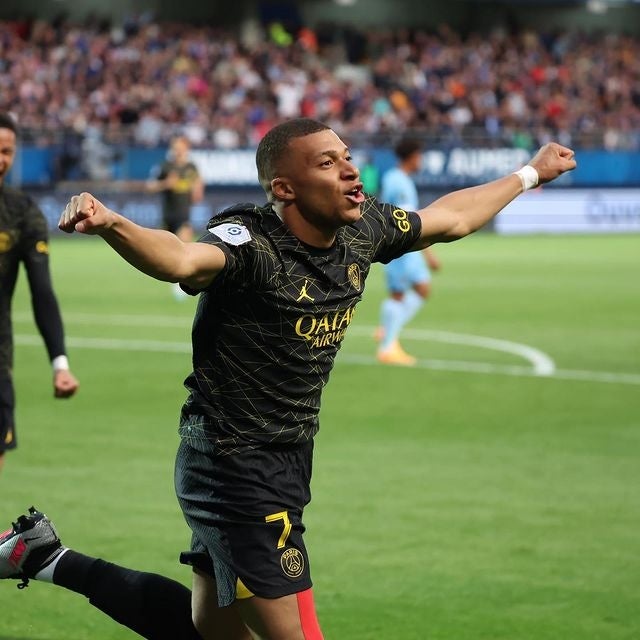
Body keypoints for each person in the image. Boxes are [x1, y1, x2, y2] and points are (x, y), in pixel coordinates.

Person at [0, 118, 575, 639]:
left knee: (210, 635)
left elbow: (450, 219)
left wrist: (529, 174)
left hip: (286, 453)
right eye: (326, 163)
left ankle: (44, 557)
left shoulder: (363, 227)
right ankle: (44, 556)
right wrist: (112, 222)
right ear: (284, 188)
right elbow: (181, 261)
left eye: (346, 156)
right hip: (234, 460)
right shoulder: (251, 242)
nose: (349, 169)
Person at [0, 113, 79, 475]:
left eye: (7, 151)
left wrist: (59, 364)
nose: (1, 159)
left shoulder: (21, 213)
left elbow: (41, 292)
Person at [377, 138, 441, 366]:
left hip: (401, 249)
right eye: (420, 155)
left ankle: (387, 330)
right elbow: (407, 224)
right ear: (412, 156)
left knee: (419, 289)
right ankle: (388, 346)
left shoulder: (396, 178)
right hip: (403, 250)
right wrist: (429, 253)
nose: (421, 159)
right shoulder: (400, 183)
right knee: (403, 294)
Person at [146, 135, 205, 299]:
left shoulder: (191, 168)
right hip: (167, 216)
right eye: (175, 147)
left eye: (180, 147)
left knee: (185, 249)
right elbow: (150, 186)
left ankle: (181, 286)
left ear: (186, 149)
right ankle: (172, 280)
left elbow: (198, 191)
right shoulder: (165, 167)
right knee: (164, 254)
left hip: (183, 216)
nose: (178, 151)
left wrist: (197, 189)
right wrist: (166, 184)